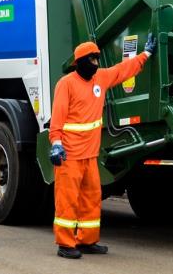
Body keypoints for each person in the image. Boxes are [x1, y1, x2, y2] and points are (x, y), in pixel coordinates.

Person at [48, 34, 156, 259]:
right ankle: (65, 244)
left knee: (91, 196)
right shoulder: (66, 84)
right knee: (67, 200)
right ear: (79, 62)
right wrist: (56, 144)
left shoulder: (101, 78)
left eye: (97, 59)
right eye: (92, 59)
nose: (96, 64)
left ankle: (87, 240)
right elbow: (57, 118)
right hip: (69, 155)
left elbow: (123, 69)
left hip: (90, 155)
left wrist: (145, 54)